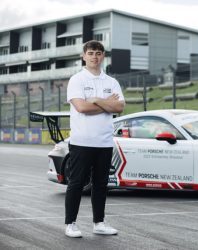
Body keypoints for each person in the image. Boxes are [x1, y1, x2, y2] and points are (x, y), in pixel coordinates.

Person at [65, 40, 125, 238]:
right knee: (76, 183)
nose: (94, 56)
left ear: (103, 56)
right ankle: (70, 224)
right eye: (91, 53)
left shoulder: (111, 82)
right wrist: (107, 104)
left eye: (98, 53)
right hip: (82, 142)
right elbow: (82, 108)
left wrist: (98, 100)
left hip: (104, 142)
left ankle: (99, 222)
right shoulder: (77, 80)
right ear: (84, 56)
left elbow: (119, 108)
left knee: (100, 184)